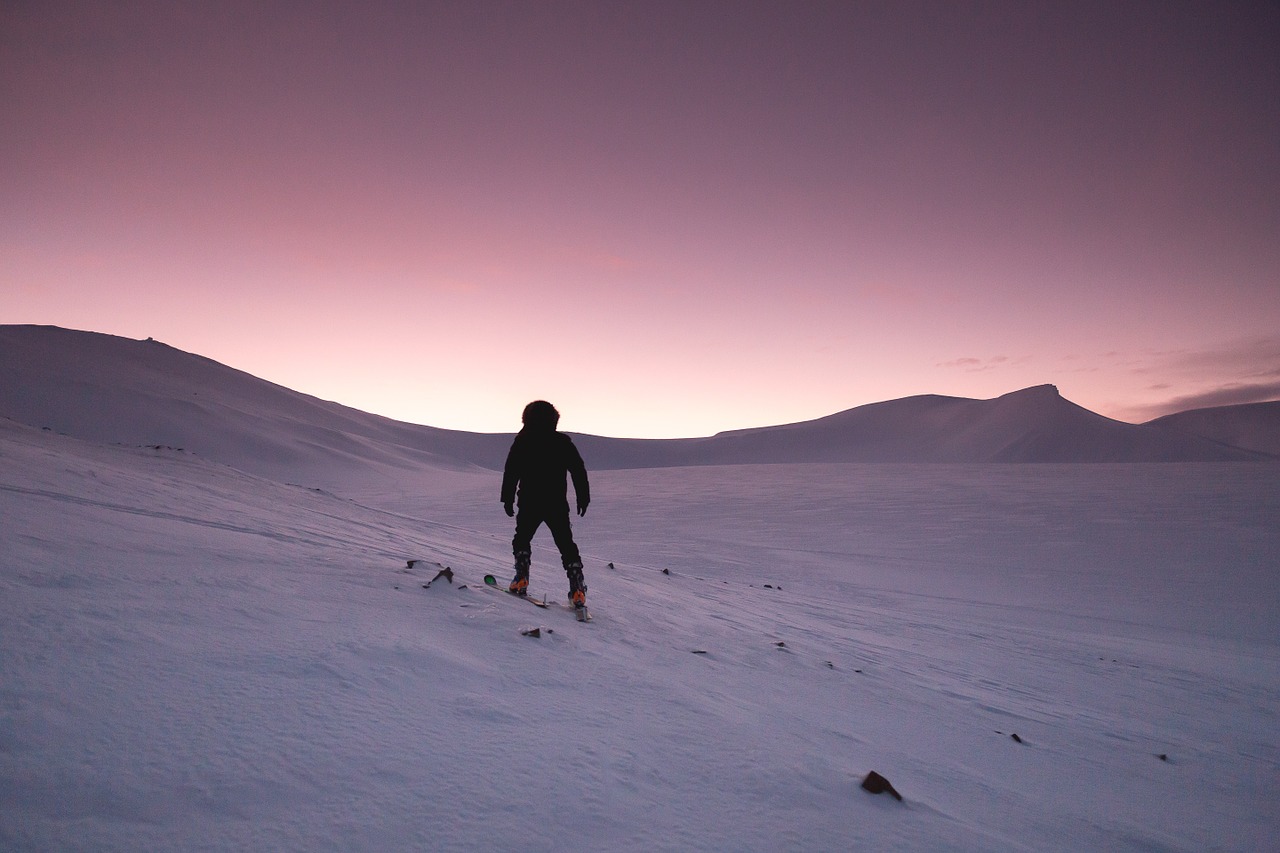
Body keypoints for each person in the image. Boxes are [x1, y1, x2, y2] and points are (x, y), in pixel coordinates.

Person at [500, 400, 590, 609]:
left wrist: (507, 497)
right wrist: (583, 496)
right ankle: (577, 588)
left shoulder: (522, 441)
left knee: (522, 539)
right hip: (556, 503)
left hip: (529, 501)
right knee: (566, 545)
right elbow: (578, 469)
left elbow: (511, 471)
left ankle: (521, 577)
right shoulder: (562, 442)